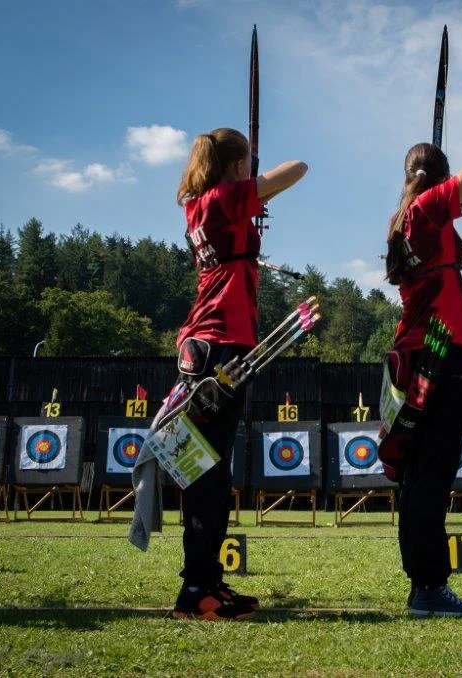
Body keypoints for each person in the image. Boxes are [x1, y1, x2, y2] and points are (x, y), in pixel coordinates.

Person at [167, 127, 307, 621]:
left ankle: (208, 582)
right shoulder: (223, 198)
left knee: (211, 468)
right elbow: (299, 169)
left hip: (208, 344)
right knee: (207, 472)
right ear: (237, 164)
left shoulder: (200, 204)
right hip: (220, 346)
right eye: (246, 162)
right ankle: (196, 591)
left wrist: (251, 192)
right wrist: (255, 185)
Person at [383, 142, 462, 617]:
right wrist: (448, 187)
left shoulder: (403, 218)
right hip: (440, 350)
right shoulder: (426, 208)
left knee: (419, 472)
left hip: (420, 350)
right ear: (439, 179)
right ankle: (429, 586)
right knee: (432, 472)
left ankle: (423, 584)